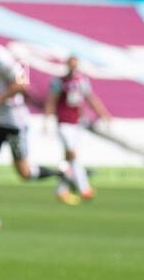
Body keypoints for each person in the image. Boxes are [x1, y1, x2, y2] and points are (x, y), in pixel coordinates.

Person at [0, 18, 73, 229]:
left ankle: (62, 173)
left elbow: (22, 83)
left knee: (24, 173)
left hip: (13, 119)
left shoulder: (1, 57)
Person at [43, 55, 111, 201]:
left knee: (69, 157)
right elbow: (51, 100)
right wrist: (47, 119)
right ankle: (84, 188)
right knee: (73, 155)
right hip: (63, 123)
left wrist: (103, 113)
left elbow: (90, 98)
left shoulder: (82, 81)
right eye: (71, 64)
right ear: (67, 64)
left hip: (77, 124)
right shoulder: (59, 81)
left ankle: (61, 190)